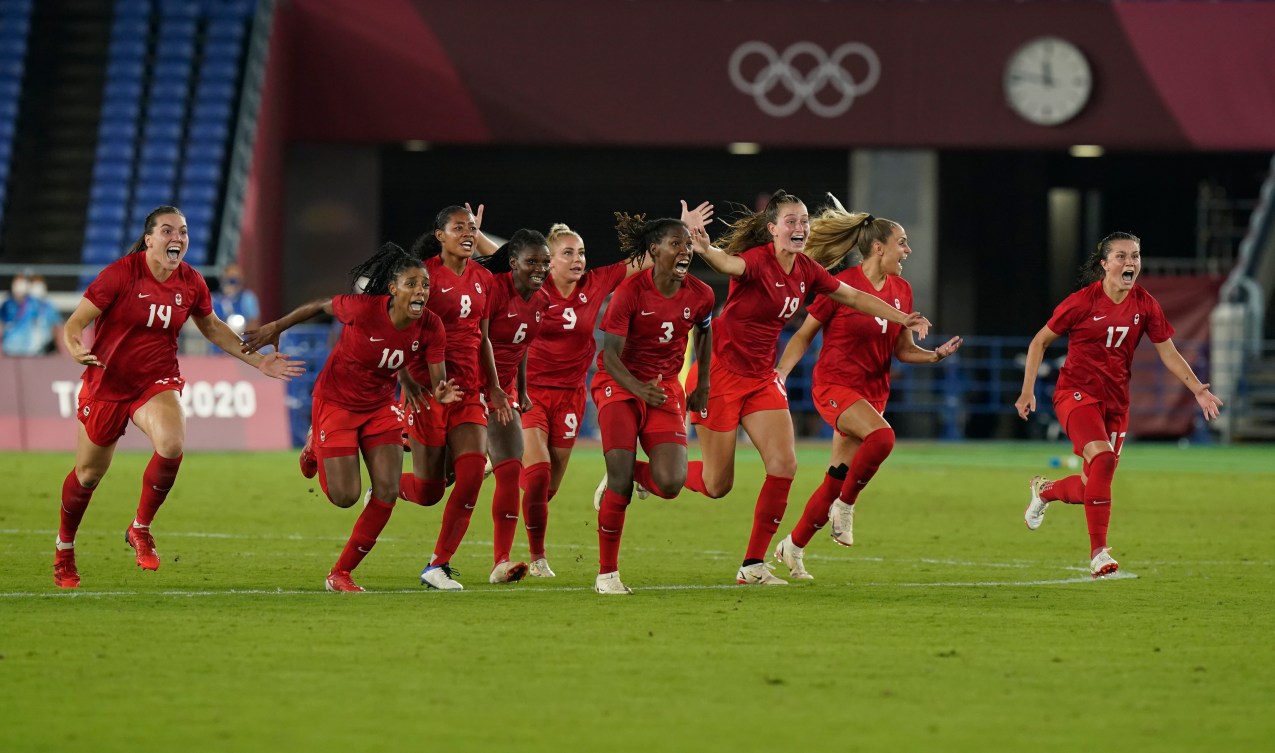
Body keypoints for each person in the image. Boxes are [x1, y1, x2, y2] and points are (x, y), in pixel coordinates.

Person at [680, 191, 931, 585]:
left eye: (803, 221)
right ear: (772, 230)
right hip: (719, 375)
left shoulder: (807, 270)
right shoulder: (757, 261)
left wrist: (904, 317)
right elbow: (724, 261)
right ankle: (651, 474)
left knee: (784, 466)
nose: (799, 228)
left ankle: (753, 565)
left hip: (762, 378)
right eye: (791, 221)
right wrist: (703, 245)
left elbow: (854, 297)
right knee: (717, 485)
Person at [53, 206, 304, 588]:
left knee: (171, 444)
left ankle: (140, 528)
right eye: (168, 231)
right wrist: (73, 345)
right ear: (149, 238)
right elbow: (76, 322)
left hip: (156, 380)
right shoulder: (120, 274)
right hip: (107, 384)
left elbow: (214, 328)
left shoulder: (191, 282)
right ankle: (64, 550)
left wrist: (258, 363)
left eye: (183, 232)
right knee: (88, 476)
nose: (178, 238)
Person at [242, 243, 455, 592]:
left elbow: (437, 379)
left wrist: (441, 392)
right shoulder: (363, 309)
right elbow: (322, 304)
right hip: (336, 402)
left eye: (426, 285)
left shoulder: (431, 326)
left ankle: (340, 573)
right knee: (345, 497)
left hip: (380, 406)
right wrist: (276, 326)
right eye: (413, 284)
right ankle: (314, 447)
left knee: (386, 492)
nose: (421, 291)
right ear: (393, 289)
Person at [770, 206, 963, 579]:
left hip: (873, 394)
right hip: (834, 387)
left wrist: (934, 356)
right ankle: (845, 507)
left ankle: (792, 546)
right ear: (878, 248)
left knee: (837, 476)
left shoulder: (902, 291)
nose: (907, 251)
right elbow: (804, 334)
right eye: (901, 243)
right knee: (884, 437)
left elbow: (903, 350)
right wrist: (781, 373)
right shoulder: (841, 285)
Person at [1015, 232, 1223, 578]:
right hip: (1075, 394)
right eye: (1122, 256)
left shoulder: (1145, 303)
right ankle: (1098, 553)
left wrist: (1197, 391)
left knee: (1091, 485)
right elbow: (1039, 342)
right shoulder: (1082, 302)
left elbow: (1168, 352)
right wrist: (1027, 391)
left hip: (1115, 402)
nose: (1131, 263)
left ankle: (1045, 491)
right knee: (1104, 457)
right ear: (1105, 264)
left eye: (1136, 256)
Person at [517, 222, 651, 577]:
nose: (578, 260)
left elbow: (642, 261)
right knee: (539, 474)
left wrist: (685, 234)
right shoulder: (534, 285)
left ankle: (503, 464)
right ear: (549, 261)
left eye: (581, 253)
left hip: (571, 396)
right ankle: (537, 557)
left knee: (548, 487)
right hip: (530, 394)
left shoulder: (595, 282)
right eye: (568, 253)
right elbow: (505, 257)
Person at [590, 213, 714, 594]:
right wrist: (637, 388)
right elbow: (609, 355)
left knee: (671, 483)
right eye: (676, 243)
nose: (685, 250)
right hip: (619, 385)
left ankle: (624, 471)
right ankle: (607, 575)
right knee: (622, 487)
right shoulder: (629, 293)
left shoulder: (701, 293)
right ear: (654, 250)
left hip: (665, 391)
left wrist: (702, 382)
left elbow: (706, 332)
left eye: (688, 245)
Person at [399, 205, 512, 591]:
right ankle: (390, 484)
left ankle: (438, 564)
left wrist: (493, 386)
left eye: (473, 228)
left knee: (469, 477)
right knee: (430, 490)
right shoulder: (422, 276)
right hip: (427, 392)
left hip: (467, 393)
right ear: (439, 235)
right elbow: (395, 326)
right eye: (458, 227)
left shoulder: (483, 277)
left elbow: (482, 338)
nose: (467, 233)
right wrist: (405, 381)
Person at [478, 229, 551, 584]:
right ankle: (390, 485)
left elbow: (519, 346)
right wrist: (491, 388)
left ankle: (500, 563)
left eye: (545, 262)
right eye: (532, 261)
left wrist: (520, 390)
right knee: (436, 483)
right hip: (464, 385)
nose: (541, 268)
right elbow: (478, 339)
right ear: (512, 263)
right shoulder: (492, 290)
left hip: (501, 393)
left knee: (509, 469)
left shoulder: (541, 301)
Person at [0, 272, 63, 356]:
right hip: (11, 349)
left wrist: (58, 349)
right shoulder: (7, 304)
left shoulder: (38, 305)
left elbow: (55, 327)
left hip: (34, 351)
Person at [211, 261, 260, 336]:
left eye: (234, 281)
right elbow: (210, 325)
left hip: (242, 341)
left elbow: (254, 324)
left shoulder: (247, 298)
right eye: (228, 280)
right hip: (220, 341)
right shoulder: (214, 300)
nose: (231, 284)